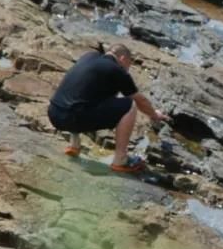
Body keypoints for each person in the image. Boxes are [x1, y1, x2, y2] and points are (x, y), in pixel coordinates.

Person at [48, 43, 169, 173]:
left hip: (54, 114)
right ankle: (120, 160)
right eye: (129, 65)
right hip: (75, 118)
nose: (127, 70)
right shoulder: (117, 70)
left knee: (80, 97)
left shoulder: (88, 57)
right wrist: (154, 115)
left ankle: (74, 145)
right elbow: (141, 100)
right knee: (130, 105)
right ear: (122, 58)